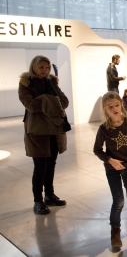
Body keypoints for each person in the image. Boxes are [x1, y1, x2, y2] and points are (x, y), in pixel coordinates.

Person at [93, 92, 127, 248]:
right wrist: (110, 160)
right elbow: (97, 149)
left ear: (121, 105)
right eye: (110, 107)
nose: (114, 109)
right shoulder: (104, 129)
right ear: (105, 109)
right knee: (118, 201)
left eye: (116, 105)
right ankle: (115, 232)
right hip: (112, 169)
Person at [18, 55, 69, 215]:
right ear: (33, 67)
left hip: (54, 129)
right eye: (41, 67)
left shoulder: (51, 82)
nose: (44, 70)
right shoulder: (25, 84)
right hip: (37, 131)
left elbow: (65, 102)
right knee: (40, 166)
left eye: (46, 67)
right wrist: (51, 101)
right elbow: (31, 105)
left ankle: (49, 195)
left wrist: (46, 101)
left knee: (51, 164)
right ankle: (38, 200)